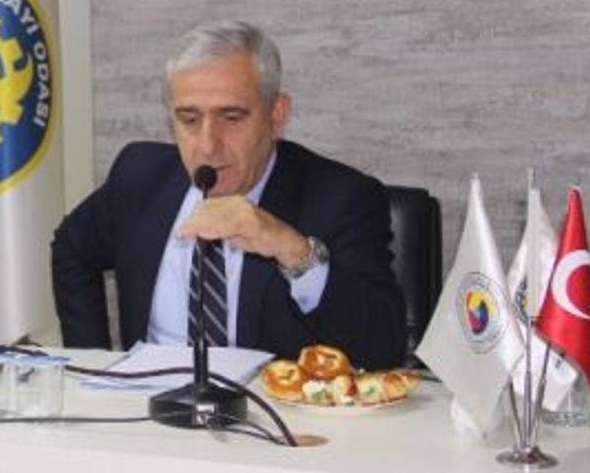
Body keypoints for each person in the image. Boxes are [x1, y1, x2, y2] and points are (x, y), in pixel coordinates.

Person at [51, 20, 406, 369]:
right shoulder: (140, 176)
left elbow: (382, 351)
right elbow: (71, 249)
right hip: (148, 402)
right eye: (189, 119)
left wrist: (293, 251)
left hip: (267, 406)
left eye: (232, 117)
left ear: (276, 116)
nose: (208, 145)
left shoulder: (341, 198)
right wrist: (93, 363)